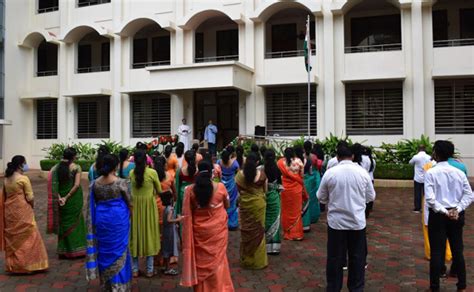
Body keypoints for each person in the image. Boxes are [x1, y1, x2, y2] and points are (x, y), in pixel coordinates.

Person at [317, 144, 376, 291]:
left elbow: (321, 198)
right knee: (357, 259)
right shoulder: (362, 173)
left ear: (337, 157)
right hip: (357, 223)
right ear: (353, 156)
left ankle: (333, 288)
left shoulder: (330, 173)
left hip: (336, 224)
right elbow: (371, 196)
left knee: (335, 259)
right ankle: (356, 288)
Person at [424, 140, 473, 292]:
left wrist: (446, 212)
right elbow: (469, 195)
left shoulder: (431, 172)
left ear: (435, 154)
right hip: (456, 215)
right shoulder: (459, 173)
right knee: (458, 250)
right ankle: (462, 286)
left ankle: (434, 287)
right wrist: (457, 209)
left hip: (438, 215)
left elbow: (430, 199)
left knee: (437, 251)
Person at [181, 161, 234, 291]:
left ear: (198, 171)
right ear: (212, 172)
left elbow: (188, 212)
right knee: (219, 260)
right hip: (217, 232)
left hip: (198, 232)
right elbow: (227, 205)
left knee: (200, 260)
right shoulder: (220, 187)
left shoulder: (190, 190)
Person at [86, 154, 132, 291]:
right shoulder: (121, 182)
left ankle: (108, 284)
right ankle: (120, 286)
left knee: (105, 250)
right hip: (118, 220)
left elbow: (91, 204)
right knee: (120, 250)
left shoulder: (94, 183)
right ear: (116, 166)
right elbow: (130, 202)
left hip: (102, 220)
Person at [0, 155, 49, 273]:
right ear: (20, 165)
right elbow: (30, 197)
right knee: (30, 234)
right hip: (23, 209)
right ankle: (28, 265)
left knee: (13, 237)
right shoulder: (23, 179)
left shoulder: (6, 179)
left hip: (9, 211)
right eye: (25, 163)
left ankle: (15, 265)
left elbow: (4, 195)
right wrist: (32, 205)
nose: (26, 165)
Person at [48, 147, 87, 258]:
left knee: (63, 222)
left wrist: (60, 197)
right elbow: (76, 185)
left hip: (60, 200)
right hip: (73, 199)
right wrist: (67, 197)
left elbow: (55, 185)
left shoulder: (55, 168)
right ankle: (77, 248)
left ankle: (64, 250)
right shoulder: (76, 167)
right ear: (74, 157)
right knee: (76, 222)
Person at [129, 150, 162, 278]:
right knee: (149, 234)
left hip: (135, 208)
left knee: (135, 235)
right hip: (149, 207)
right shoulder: (152, 173)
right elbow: (159, 190)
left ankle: (135, 270)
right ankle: (149, 269)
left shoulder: (132, 173)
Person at [235, 153, 268, 270]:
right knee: (259, 231)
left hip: (245, 205)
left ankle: (247, 260)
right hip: (259, 206)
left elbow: (239, 190)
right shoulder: (262, 175)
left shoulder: (239, 175)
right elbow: (265, 190)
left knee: (246, 231)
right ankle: (258, 261)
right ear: (256, 164)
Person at [277, 148, 308, 241]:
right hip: (296, 189)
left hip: (285, 189)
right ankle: (297, 234)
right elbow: (301, 176)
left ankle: (288, 231)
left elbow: (279, 174)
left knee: (286, 210)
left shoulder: (280, 162)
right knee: (296, 211)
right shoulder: (299, 162)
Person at [261, 149, 283, 255]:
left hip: (264, 196)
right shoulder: (276, 169)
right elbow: (280, 183)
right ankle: (274, 247)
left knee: (266, 219)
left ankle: (266, 245)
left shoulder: (262, 169)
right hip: (274, 196)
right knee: (275, 220)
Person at [161, 191, 183, 276]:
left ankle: (166, 267)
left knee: (166, 248)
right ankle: (168, 269)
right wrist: (178, 219)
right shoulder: (170, 209)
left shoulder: (165, 208)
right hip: (170, 231)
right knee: (170, 248)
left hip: (166, 230)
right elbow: (169, 220)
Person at [218, 149, 240, 230]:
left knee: (223, 203)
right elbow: (238, 173)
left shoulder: (219, 162)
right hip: (231, 185)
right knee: (232, 203)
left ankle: (222, 222)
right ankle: (232, 223)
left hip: (222, 185)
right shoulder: (234, 164)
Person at [175, 150, 198, 216]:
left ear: (185, 159)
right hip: (195, 193)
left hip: (183, 194)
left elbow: (177, 186)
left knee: (184, 213)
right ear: (195, 158)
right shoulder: (198, 171)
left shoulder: (180, 171)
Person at [409, 145, 431, 213]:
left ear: (418, 149)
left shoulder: (416, 157)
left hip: (417, 178)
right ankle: (426, 207)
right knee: (426, 193)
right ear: (425, 149)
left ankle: (417, 208)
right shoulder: (429, 157)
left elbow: (410, 163)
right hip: (426, 177)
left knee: (417, 193)